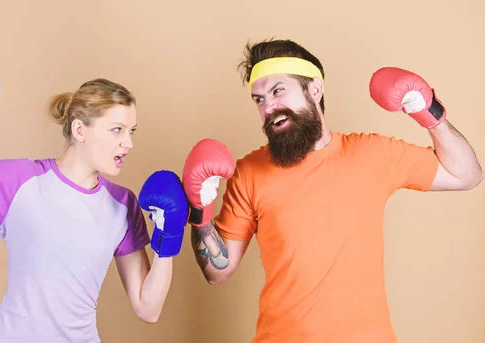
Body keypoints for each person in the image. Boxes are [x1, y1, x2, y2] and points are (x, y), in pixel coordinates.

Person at [181, 39, 484, 342]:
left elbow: (467, 175)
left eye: (277, 90)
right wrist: (200, 210)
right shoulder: (249, 172)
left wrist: (426, 110)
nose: (268, 107)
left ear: (315, 89)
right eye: (258, 100)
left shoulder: (372, 154)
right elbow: (218, 272)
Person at [0, 75, 189, 343]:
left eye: (131, 131)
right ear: (79, 130)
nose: (129, 143)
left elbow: (148, 309)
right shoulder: (18, 180)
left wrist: (169, 239)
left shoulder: (123, 205)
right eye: (117, 130)